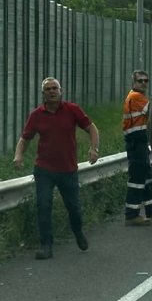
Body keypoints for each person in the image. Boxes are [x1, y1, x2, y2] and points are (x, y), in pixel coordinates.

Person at [13, 77, 100, 260]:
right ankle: (46, 245)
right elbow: (25, 138)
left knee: (74, 207)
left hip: (68, 169)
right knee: (43, 206)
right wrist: (18, 155)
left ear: (61, 91)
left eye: (55, 88)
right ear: (43, 94)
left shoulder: (72, 110)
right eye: (48, 89)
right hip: (44, 169)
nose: (52, 92)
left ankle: (78, 233)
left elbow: (91, 128)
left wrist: (94, 149)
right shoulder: (36, 115)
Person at [122, 71, 152, 226]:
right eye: (140, 81)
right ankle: (131, 215)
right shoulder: (136, 97)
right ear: (134, 83)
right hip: (136, 142)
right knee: (137, 178)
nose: (143, 83)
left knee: (146, 177)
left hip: (141, 142)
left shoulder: (140, 97)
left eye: (146, 80)